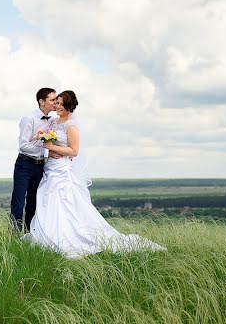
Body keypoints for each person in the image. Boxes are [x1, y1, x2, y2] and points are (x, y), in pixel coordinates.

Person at [25, 90, 165, 258]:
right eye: (57, 103)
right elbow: (45, 139)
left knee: (64, 203)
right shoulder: (53, 123)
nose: (58, 106)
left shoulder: (71, 126)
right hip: (50, 169)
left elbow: (74, 151)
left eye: (62, 104)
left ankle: (66, 235)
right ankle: (45, 233)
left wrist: (52, 147)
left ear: (69, 107)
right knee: (47, 201)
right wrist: (43, 140)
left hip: (62, 171)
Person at [10, 87, 57, 233]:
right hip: (25, 164)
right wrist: (42, 144)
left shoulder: (53, 121)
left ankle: (30, 234)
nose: (55, 102)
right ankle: (14, 235)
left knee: (33, 201)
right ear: (42, 102)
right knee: (18, 202)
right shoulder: (29, 119)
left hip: (40, 166)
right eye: (52, 99)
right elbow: (23, 146)